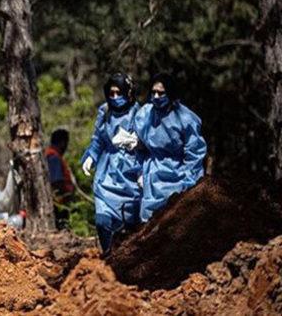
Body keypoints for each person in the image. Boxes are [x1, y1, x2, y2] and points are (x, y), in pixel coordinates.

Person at [80, 73, 142, 253]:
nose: (115, 98)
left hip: (131, 170)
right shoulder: (105, 111)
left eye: (119, 93)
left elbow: (148, 142)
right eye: (111, 93)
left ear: (128, 93)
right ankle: (108, 254)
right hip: (107, 171)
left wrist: (138, 150)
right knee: (103, 221)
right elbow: (98, 139)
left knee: (132, 225)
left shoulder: (139, 112)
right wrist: (92, 155)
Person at [134, 72, 207, 222]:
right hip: (153, 173)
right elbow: (140, 148)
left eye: (161, 93)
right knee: (149, 221)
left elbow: (195, 153)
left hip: (179, 174)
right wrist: (140, 171)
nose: (155, 96)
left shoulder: (185, 118)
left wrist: (189, 183)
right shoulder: (145, 114)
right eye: (153, 92)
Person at [45, 129, 74, 227]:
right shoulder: (53, 157)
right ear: (62, 143)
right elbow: (56, 181)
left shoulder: (51, 156)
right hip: (58, 205)